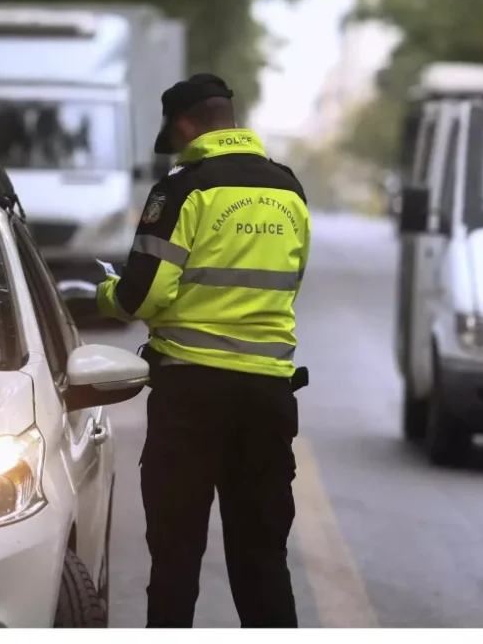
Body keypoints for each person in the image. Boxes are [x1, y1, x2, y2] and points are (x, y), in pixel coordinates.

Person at [95, 73, 311, 627]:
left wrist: (104, 295)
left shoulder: (183, 189)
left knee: (176, 560)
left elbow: (144, 295)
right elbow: (287, 283)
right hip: (268, 397)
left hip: (191, 397)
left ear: (185, 124)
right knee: (263, 561)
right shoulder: (290, 190)